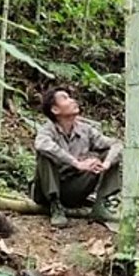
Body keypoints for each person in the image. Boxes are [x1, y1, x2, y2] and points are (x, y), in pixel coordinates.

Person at [33, 87, 122, 227]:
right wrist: (76, 163)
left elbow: (116, 144)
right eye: (65, 98)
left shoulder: (85, 130)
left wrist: (106, 164)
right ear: (55, 110)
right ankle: (55, 206)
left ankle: (101, 203)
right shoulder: (48, 130)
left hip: (74, 189)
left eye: (70, 97)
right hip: (47, 191)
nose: (72, 100)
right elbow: (41, 145)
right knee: (44, 154)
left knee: (109, 154)